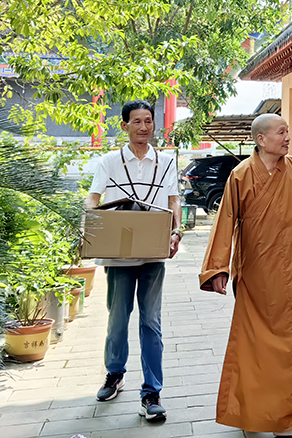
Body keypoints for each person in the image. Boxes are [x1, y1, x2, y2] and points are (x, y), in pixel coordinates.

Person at [199, 114, 292, 436]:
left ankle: (287, 416)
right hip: (257, 274)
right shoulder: (241, 175)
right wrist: (218, 267)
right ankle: (253, 413)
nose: (288, 137)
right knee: (255, 347)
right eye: (282, 132)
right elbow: (226, 221)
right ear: (261, 139)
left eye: (288, 131)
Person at [84, 99, 182, 421]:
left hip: (154, 253)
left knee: (151, 323)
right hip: (119, 254)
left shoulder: (165, 162)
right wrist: (91, 224)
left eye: (149, 121)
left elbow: (173, 201)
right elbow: (94, 198)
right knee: (117, 318)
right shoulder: (110, 162)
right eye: (137, 121)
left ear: (154, 125)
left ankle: (152, 392)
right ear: (124, 125)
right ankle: (114, 373)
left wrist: (176, 232)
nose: (143, 127)